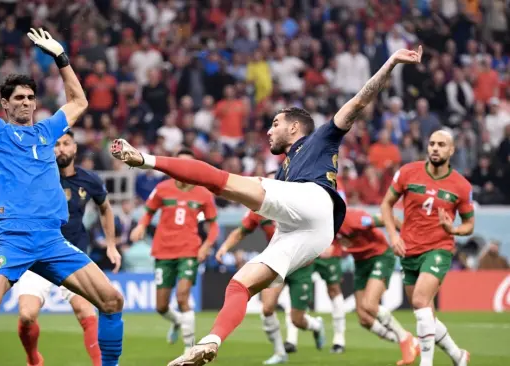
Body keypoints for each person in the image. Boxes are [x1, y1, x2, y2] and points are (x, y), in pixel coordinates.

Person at [112, 46, 423, 366]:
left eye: (275, 123)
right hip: (313, 232)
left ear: (293, 127)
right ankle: (210, 341)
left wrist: (391, 63)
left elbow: (359, 101)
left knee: (221, 181)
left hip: (315, 199)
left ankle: (145, 159)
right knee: (240, 285)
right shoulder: (284, 170)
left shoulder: (321, 137)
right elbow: (256, 215)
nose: (268, 130)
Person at [0, 14, 124, 366]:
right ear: (5, 105)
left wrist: (62, 59)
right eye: (18, 98)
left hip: (53, 241)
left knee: (112, 302)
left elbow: (80, 102)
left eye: (30, 97)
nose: (25, 102)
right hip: (12, 238)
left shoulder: (47, 132)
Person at [17, 131, 118, 366]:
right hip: (38, 256)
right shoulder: (37, 176)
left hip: (73, 256)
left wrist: (111, 245)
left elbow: (105, 208)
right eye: (56, 144)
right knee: (26, 315)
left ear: (75, 148)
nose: (61, 148)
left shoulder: (89, 180)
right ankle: (34, 359)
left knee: (87, 312)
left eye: (66, 144)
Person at [381, 130, 473, 366]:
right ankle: (458, 356)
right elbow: (386, 205)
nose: (435, 148)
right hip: (409, 250)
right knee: (425, 313)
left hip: (439, 248)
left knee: (421, 301)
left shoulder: (461, 186)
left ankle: (427, 363)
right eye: (432, 143)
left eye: (441, 145)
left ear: (451, 150)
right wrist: (393, 235)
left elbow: (469, 224)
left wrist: (453, 230)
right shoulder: (408, 172)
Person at [216, 173, 323, 365]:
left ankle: (315, 326)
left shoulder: (299, 203)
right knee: (267, 308)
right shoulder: (260, 209)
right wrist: (224, 247)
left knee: (297, 319)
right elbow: (240, 231)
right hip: (277, 262)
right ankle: (280, 353)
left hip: (301, 266)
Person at [130, 148, 219, 352]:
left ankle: (190, 350)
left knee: (182, 297)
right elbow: (148, 212)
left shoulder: (203, 193)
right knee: (161, 307)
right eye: (180, 164)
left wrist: (206, 245)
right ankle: (178, 321)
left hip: (189, 250)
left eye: (188, 165)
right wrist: (142, 225)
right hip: (163, 251)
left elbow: (213, 225)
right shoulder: (162, 189)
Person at [336, 208, 419, 364]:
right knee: (364, 318)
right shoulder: (324, 226)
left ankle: (405, 338)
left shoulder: (353, 218)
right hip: (360, 262)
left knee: (369, 304)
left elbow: (390, 219)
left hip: (380, 256)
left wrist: (408, 239)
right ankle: (411, 342)